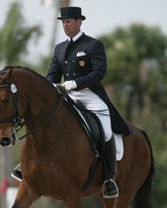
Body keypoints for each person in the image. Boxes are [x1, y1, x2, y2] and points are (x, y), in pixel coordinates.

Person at [46, 6, 129, 198]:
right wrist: (48, 86)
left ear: (78, 22)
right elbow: (52, 75)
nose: (65, 26)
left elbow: (99, 73)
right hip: (68, 95)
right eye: (63, 22)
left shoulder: (93, 45)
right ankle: (28, 166)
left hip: (90, 94)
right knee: (45, 119)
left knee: (106, 128)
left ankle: (109, 177)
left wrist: (75, 82)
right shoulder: (59, 48)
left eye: (68, 22)